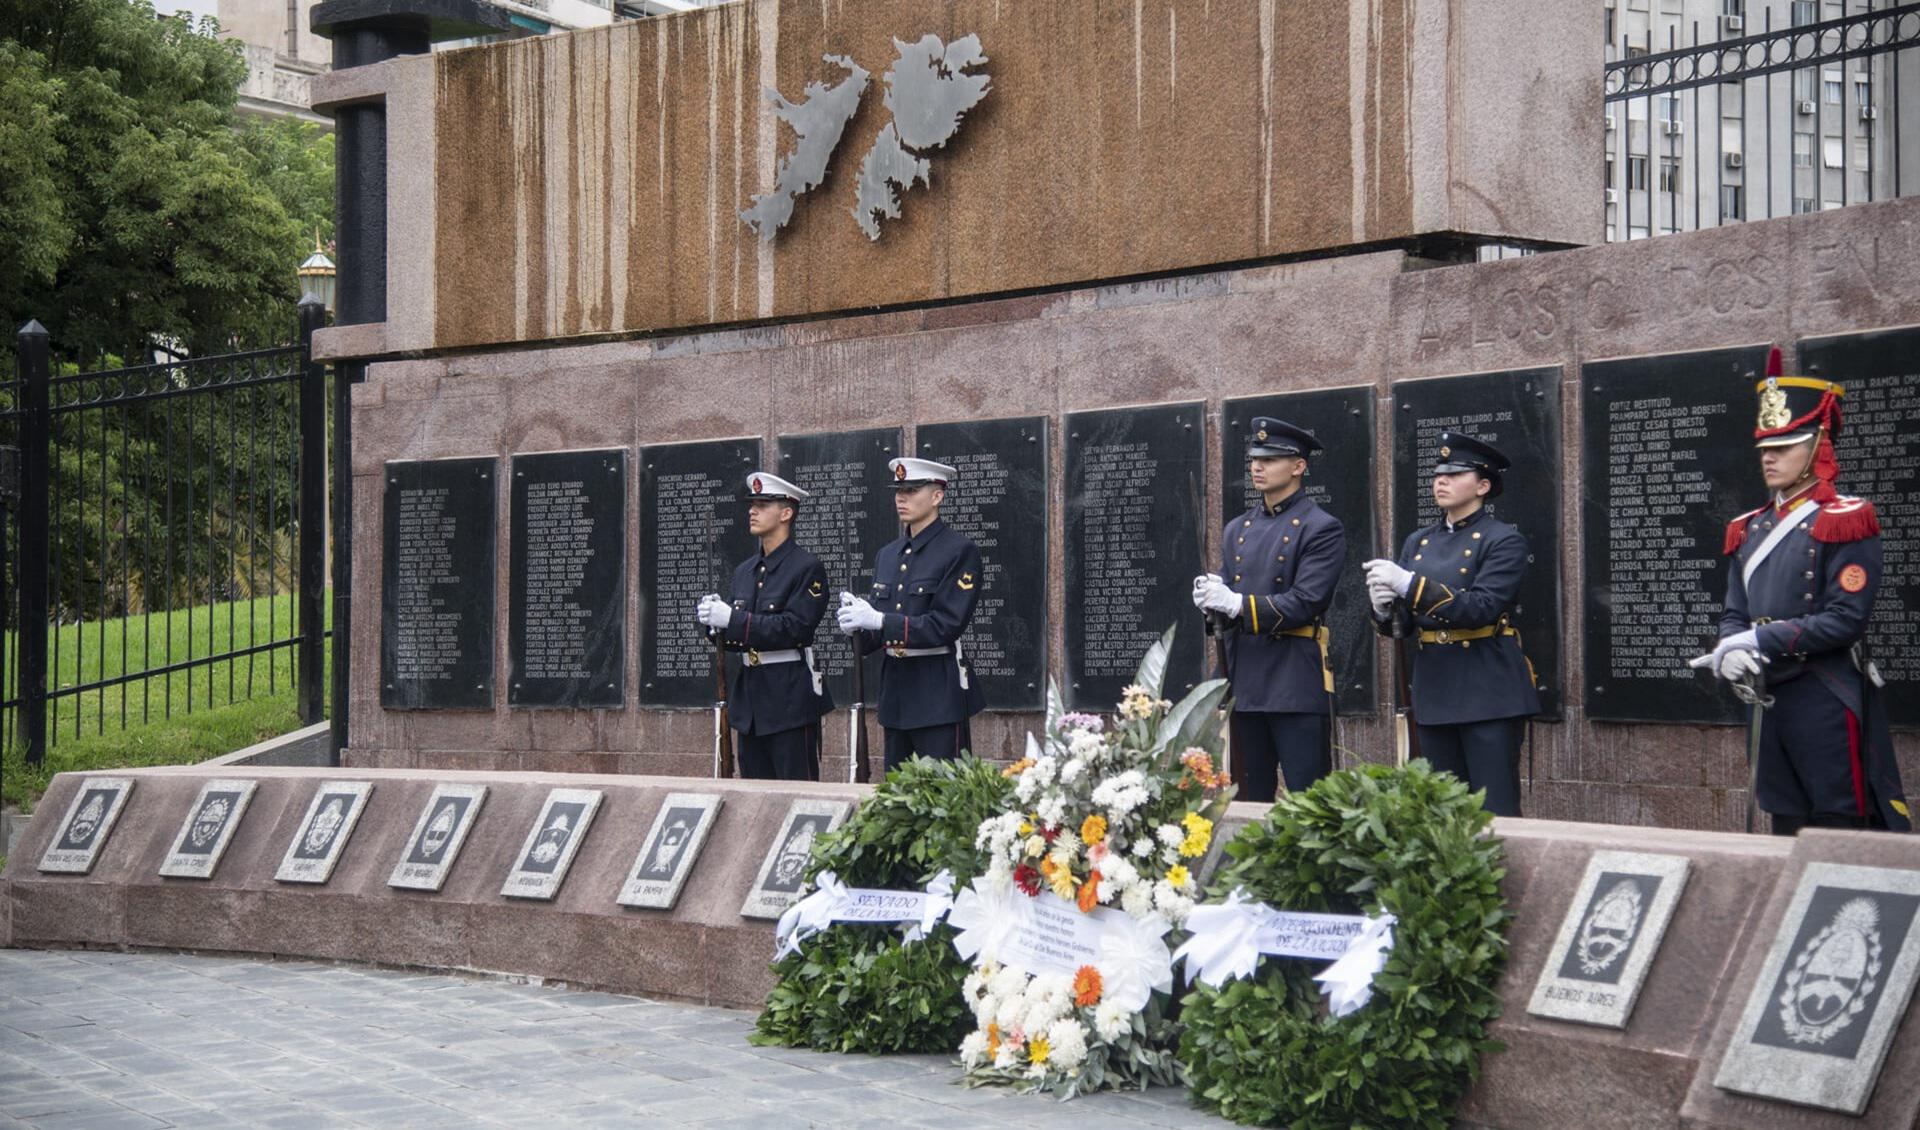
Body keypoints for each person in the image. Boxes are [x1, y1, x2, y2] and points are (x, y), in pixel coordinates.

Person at [1689, 348, 1909, 833]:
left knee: (1839, 822)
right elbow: (1735, 609)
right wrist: (1729, 649)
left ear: (1816, 447)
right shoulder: (1747, 528)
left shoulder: (1846, 519)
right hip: (1768, 695)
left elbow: (1844, 619)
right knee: (1784, 819)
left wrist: (1757, 640)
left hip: (1824, 692)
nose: (1768, 457)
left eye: (1783, 446)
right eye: (1764, 448)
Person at [1363, 432, 1539, 817]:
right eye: (1438, 474)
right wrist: (1384, 609)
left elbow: (1482, 607)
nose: (1441, 480)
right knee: (1439, 810)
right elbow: (1405, 625)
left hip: (1487, 688)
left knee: (1494, 810)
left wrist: (1410, 585)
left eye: (1455, 474)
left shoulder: (1503, 540)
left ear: (1483, 485)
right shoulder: (1418, 541)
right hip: (1434, 688)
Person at [1191, 417, 1345, 800]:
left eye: (1271, 459)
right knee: (1245, 800)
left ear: (1298, 466)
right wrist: (1213, 601)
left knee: (1309, 801)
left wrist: (1237, 603)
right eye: (1255, 458)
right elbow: (1230, 601)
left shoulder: (1320, 527)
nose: (1258, 466)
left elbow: (1306, 601)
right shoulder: (1237, 528)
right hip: (1245, 677)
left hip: (1293, 678)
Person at [836, 457, 985, 769]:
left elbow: (945, 625)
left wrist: (879, 620)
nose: (901, 498)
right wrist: (857, 628)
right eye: (898, 490)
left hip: (937, 696)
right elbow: (876, 635)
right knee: (898, 802)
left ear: (937, 496)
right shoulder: (888, 555)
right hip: (897, 695)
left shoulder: (958, 551)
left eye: (912, 490)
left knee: (942, 798)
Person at [694, 472, 833, 780]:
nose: (752, 511)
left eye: (762, 504)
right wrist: (714, 625)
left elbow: (794, 628)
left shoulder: (807, 568)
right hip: (751, 703)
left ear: (786, 513)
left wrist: (732, 619)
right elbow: (737, 635)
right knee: (753, 797)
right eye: (751, 504)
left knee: (797, 792)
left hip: (789, 701)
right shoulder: (745, 571)